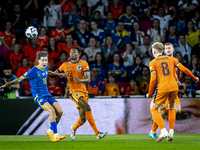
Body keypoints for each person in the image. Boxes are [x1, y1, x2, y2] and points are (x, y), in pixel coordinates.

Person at [0, 51, 66, 141]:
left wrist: (59, 74)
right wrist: (6, 85)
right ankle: (55, 134)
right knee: (51, 110)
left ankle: (50, 130)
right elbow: (19, 79)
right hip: (39, 97)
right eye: (42, 60)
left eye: (46, 60)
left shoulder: (45, 68)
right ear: (38, 61)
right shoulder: (33, 71)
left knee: (60, 111)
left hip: (47, 95)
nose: (44, 62)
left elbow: (49, 73)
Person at [146, 42, 199, 142]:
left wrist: (149, 93)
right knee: (171, 109)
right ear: (163, 50)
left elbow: (153, 80)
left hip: (163, 88)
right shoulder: (173, 60)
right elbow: (185, 69)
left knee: (153, 109)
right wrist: (194, 77)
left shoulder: (153, 62)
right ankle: (170, 132)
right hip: (174, 88)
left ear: (154, 51)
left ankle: (163, 130)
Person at [55, 47, 108, 140]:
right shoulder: (65, 65)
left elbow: (88, 79)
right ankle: (98, 133)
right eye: (70, 52)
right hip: (73, 92)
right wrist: (53, 72)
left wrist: (80, 80)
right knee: (87, 107)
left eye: (74, 52)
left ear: (79, 54)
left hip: (84, 92)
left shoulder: (83, 63)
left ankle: (73, 128)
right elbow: (54, 74)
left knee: (83, 118)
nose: (72, 53)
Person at [149, 43, 182, 138]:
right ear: (163, 50)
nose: (167, 50)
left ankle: (158, 130)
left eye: (169, 48)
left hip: (171, 88)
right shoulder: (163, 61)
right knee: (161, 111)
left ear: (173, 49)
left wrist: (177, 81)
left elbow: (173, 75)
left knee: (178, 110)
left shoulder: (173, 61)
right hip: (163, 88)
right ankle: (156, 132)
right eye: (166, 48)